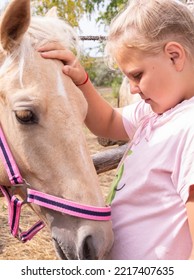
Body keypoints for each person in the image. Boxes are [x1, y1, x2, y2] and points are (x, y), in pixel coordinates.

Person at [38, 0, 194, 260]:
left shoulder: (189, 127)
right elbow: (107, 121)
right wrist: (82, 80)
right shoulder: (154, 113)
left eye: (136, 75)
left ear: (174, 56)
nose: (132, 88)